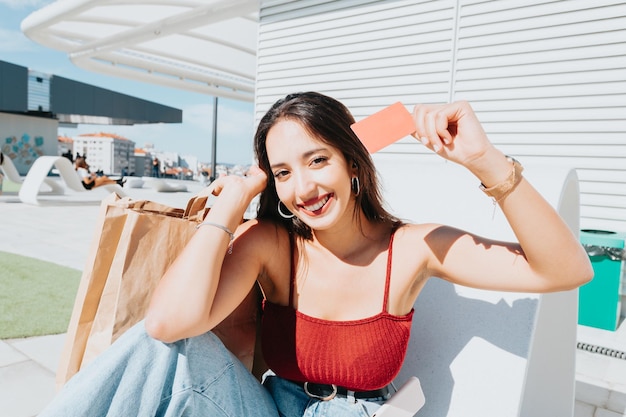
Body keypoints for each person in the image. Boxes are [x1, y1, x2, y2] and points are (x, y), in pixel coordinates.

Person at [40, 92, 593, 417]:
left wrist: (484, 161)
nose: (302, 187)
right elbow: (166, 325)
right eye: (283, 172)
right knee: (161, 350)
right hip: (268, 407)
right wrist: (229, 208)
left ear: (353, 162)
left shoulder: (411, 247)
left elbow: (566, 271)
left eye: (317, 160)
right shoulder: (271, 246)